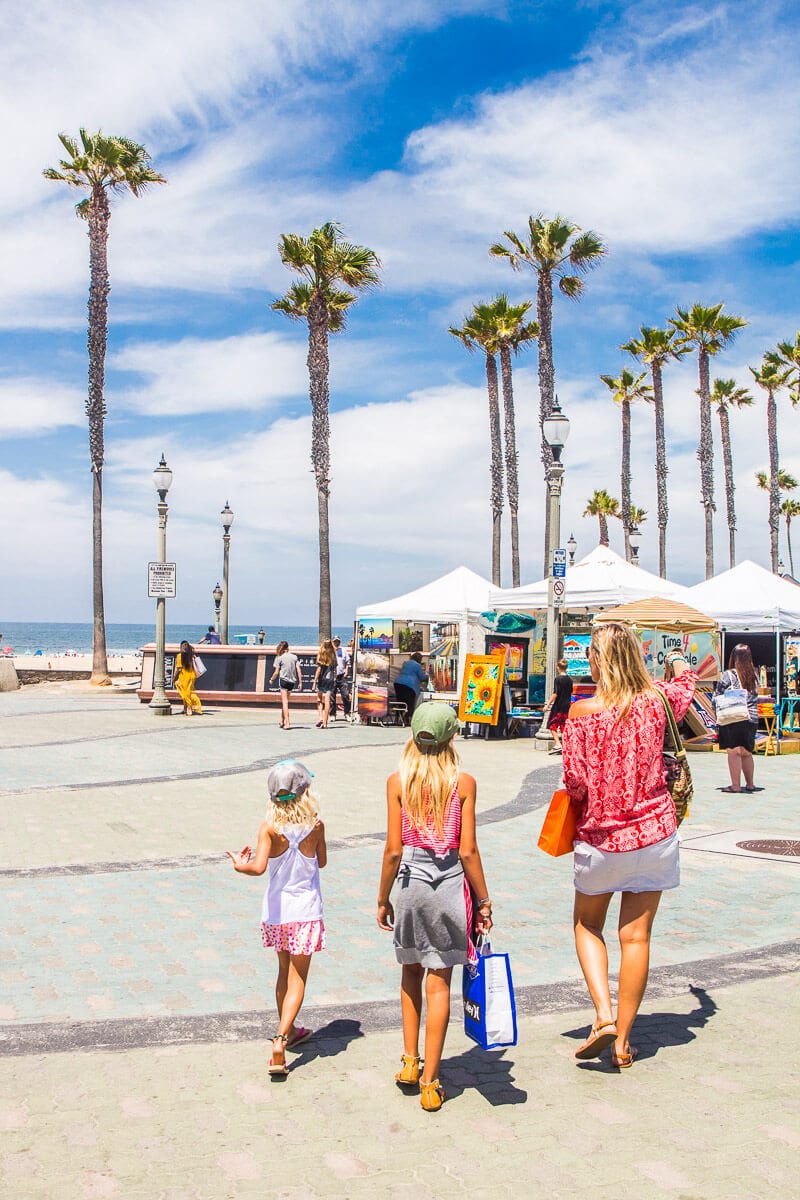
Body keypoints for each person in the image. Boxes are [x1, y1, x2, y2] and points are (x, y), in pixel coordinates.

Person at [561, 624, 696, 1069]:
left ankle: (602, 1016)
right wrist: (677, 655)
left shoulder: (581, 713)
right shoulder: (656, 702)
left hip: (602, 840)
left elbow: (575, 783)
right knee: (636, 936)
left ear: (599, 660)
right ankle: (622, 1041)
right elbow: (685, 686)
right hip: (655, 835)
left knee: (587, 926)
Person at [376, 703, 493, 1111]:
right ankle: (430, 1081)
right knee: (439, 981)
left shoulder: (397, 782)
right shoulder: (464, 783)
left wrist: (382, 897)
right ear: (452, 738)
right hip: (448, 885)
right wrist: (484, 900)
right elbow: (469, 850)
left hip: (410, 882)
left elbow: (393, 850)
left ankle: (410, 1062)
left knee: (410, 971)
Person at [227, 760, 326, 1076]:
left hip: (277, 912)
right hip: (306, 912)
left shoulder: (268, 829)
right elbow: (321, 862)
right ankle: (282, 1040)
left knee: (283, 971)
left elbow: (257, 868)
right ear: (305, 792)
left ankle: (290, 1027)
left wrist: (238, 864)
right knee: (299, 978)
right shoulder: (316, 826)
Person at [714, 643, 759, 793]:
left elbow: (717, 695)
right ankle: (750, 784)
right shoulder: (754, 674)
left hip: (733, 716)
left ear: (734, 657)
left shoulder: (729, 675)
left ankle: (735, 785)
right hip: (751, 717)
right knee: (746, 752)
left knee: (734, 752)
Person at [270, 642, 303, 730]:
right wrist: (300, 682)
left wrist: (271, 679)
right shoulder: (294, 657)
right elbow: (299, 670)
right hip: (292, 682)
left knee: (285, 702)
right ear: (287, 648)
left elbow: (276, 672)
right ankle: (282, 721)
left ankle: (287, 723)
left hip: (284, 681)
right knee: (286, 701)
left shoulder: (279, 657)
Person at [546, 658, 573, 753]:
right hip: (567, 706)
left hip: (558, 706)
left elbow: (555, 693)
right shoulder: (570, 679)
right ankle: (565, 744)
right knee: (563, 726)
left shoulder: (558, 679)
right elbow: (570, 692)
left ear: (558, 667)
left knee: (551, 724)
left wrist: (547, 704)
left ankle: (558, 744)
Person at [393, 652, 427, 724]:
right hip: (409, 686)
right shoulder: (417, 665)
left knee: (400, 701)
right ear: (419, 659)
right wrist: (427, 676)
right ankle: (407, 719)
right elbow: (422, 677)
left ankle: (398, 718)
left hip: (398, 683)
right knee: (410, 703)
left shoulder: (405, 663)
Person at [174, 641, 204, 715]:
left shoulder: (179, 656)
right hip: (192, 676)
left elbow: (178, 669)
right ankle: (185, 708)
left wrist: (174, 678)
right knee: (188, 692)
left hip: (183, 677)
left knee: (185, 693)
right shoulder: (192, 656)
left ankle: (189, 707)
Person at [313, 640, 337, 729]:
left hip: (322, 680)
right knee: (327, 701)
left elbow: (318, 670)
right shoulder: (333, 656)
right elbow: (335, 671)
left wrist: (314, 681)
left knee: (319, 699)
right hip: (330, 681)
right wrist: (335, 679)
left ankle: (320, 717)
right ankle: (325, 723)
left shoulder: (321, 655)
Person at [332, 636, 352, 720]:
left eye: (338, 641)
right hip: (332, 676)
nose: (337, 643)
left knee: (346, 695)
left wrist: (346, 671)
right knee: (332, 697)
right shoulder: (330, 651)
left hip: (342, 676)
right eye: (335, 641)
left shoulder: (343, 650)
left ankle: (347, 713)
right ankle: (332, 714)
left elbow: (347, 661)